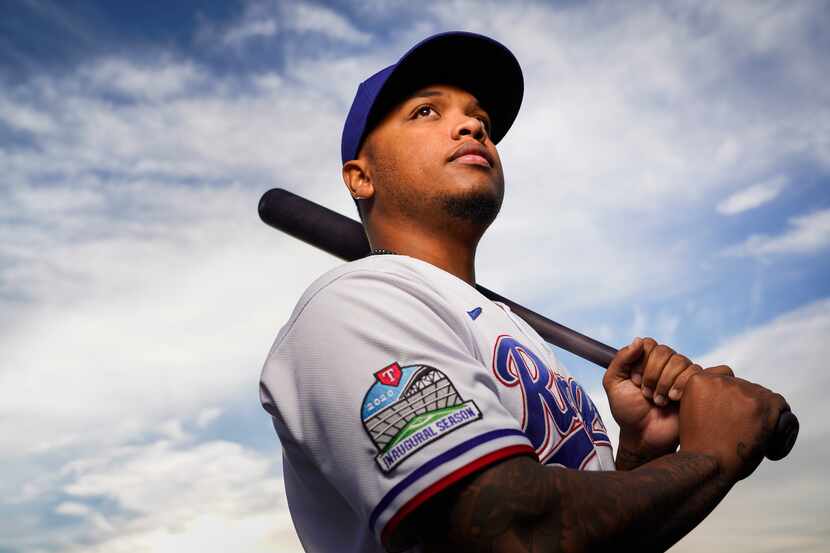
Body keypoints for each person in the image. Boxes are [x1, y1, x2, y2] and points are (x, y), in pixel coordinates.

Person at [259, 32, 790, 553]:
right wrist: (711, 455)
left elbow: (590, 530)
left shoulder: (511, 331)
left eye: (481, 120)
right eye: (426, 112)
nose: (472, 125)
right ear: (360, 177)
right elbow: (510, 529)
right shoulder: (356, 304)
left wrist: (640, 456)